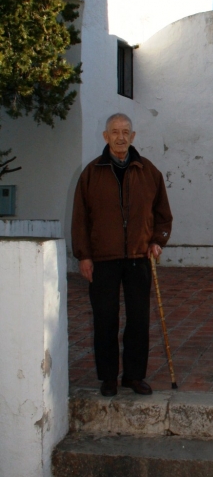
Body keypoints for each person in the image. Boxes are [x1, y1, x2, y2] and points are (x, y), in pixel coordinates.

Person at [72, 113, 173, 397]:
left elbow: (163, 216)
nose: (120, 136)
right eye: (114, 131)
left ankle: (133, 376)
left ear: (133, 136)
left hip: (139, 258)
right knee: (105, 319)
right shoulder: (91, 173)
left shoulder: (149, 172)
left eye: (125, 131)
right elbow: (80, 219)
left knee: (139, 320)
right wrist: (84, 256)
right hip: (102, 260)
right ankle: (108, 378)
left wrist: (157, 241)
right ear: (105, 136)